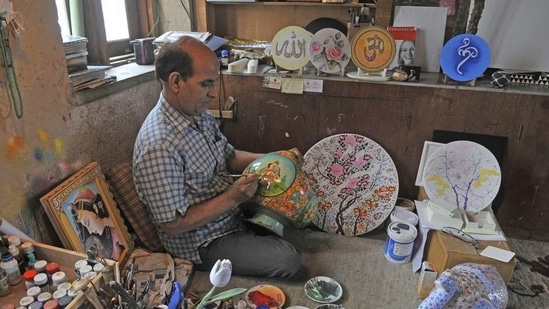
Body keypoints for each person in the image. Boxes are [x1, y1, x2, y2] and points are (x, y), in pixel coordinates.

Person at [132, 36, 301, 278]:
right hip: (202, 241)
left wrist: (278, 157)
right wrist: (233, 198)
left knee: (294, 204)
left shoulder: (196, 112)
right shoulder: (159, 145)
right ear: (176, 81)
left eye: (215, 83)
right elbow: (173, 225)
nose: (213, 93)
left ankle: (252, 230)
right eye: (206, 84)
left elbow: (229, 155)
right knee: (289, 260)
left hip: (230, 214)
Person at [68, 187, 124, 260]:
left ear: (95, 208)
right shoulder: (101, 242)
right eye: (86, 226)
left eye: (87, 222)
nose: (90, 231)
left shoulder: (118, 232)